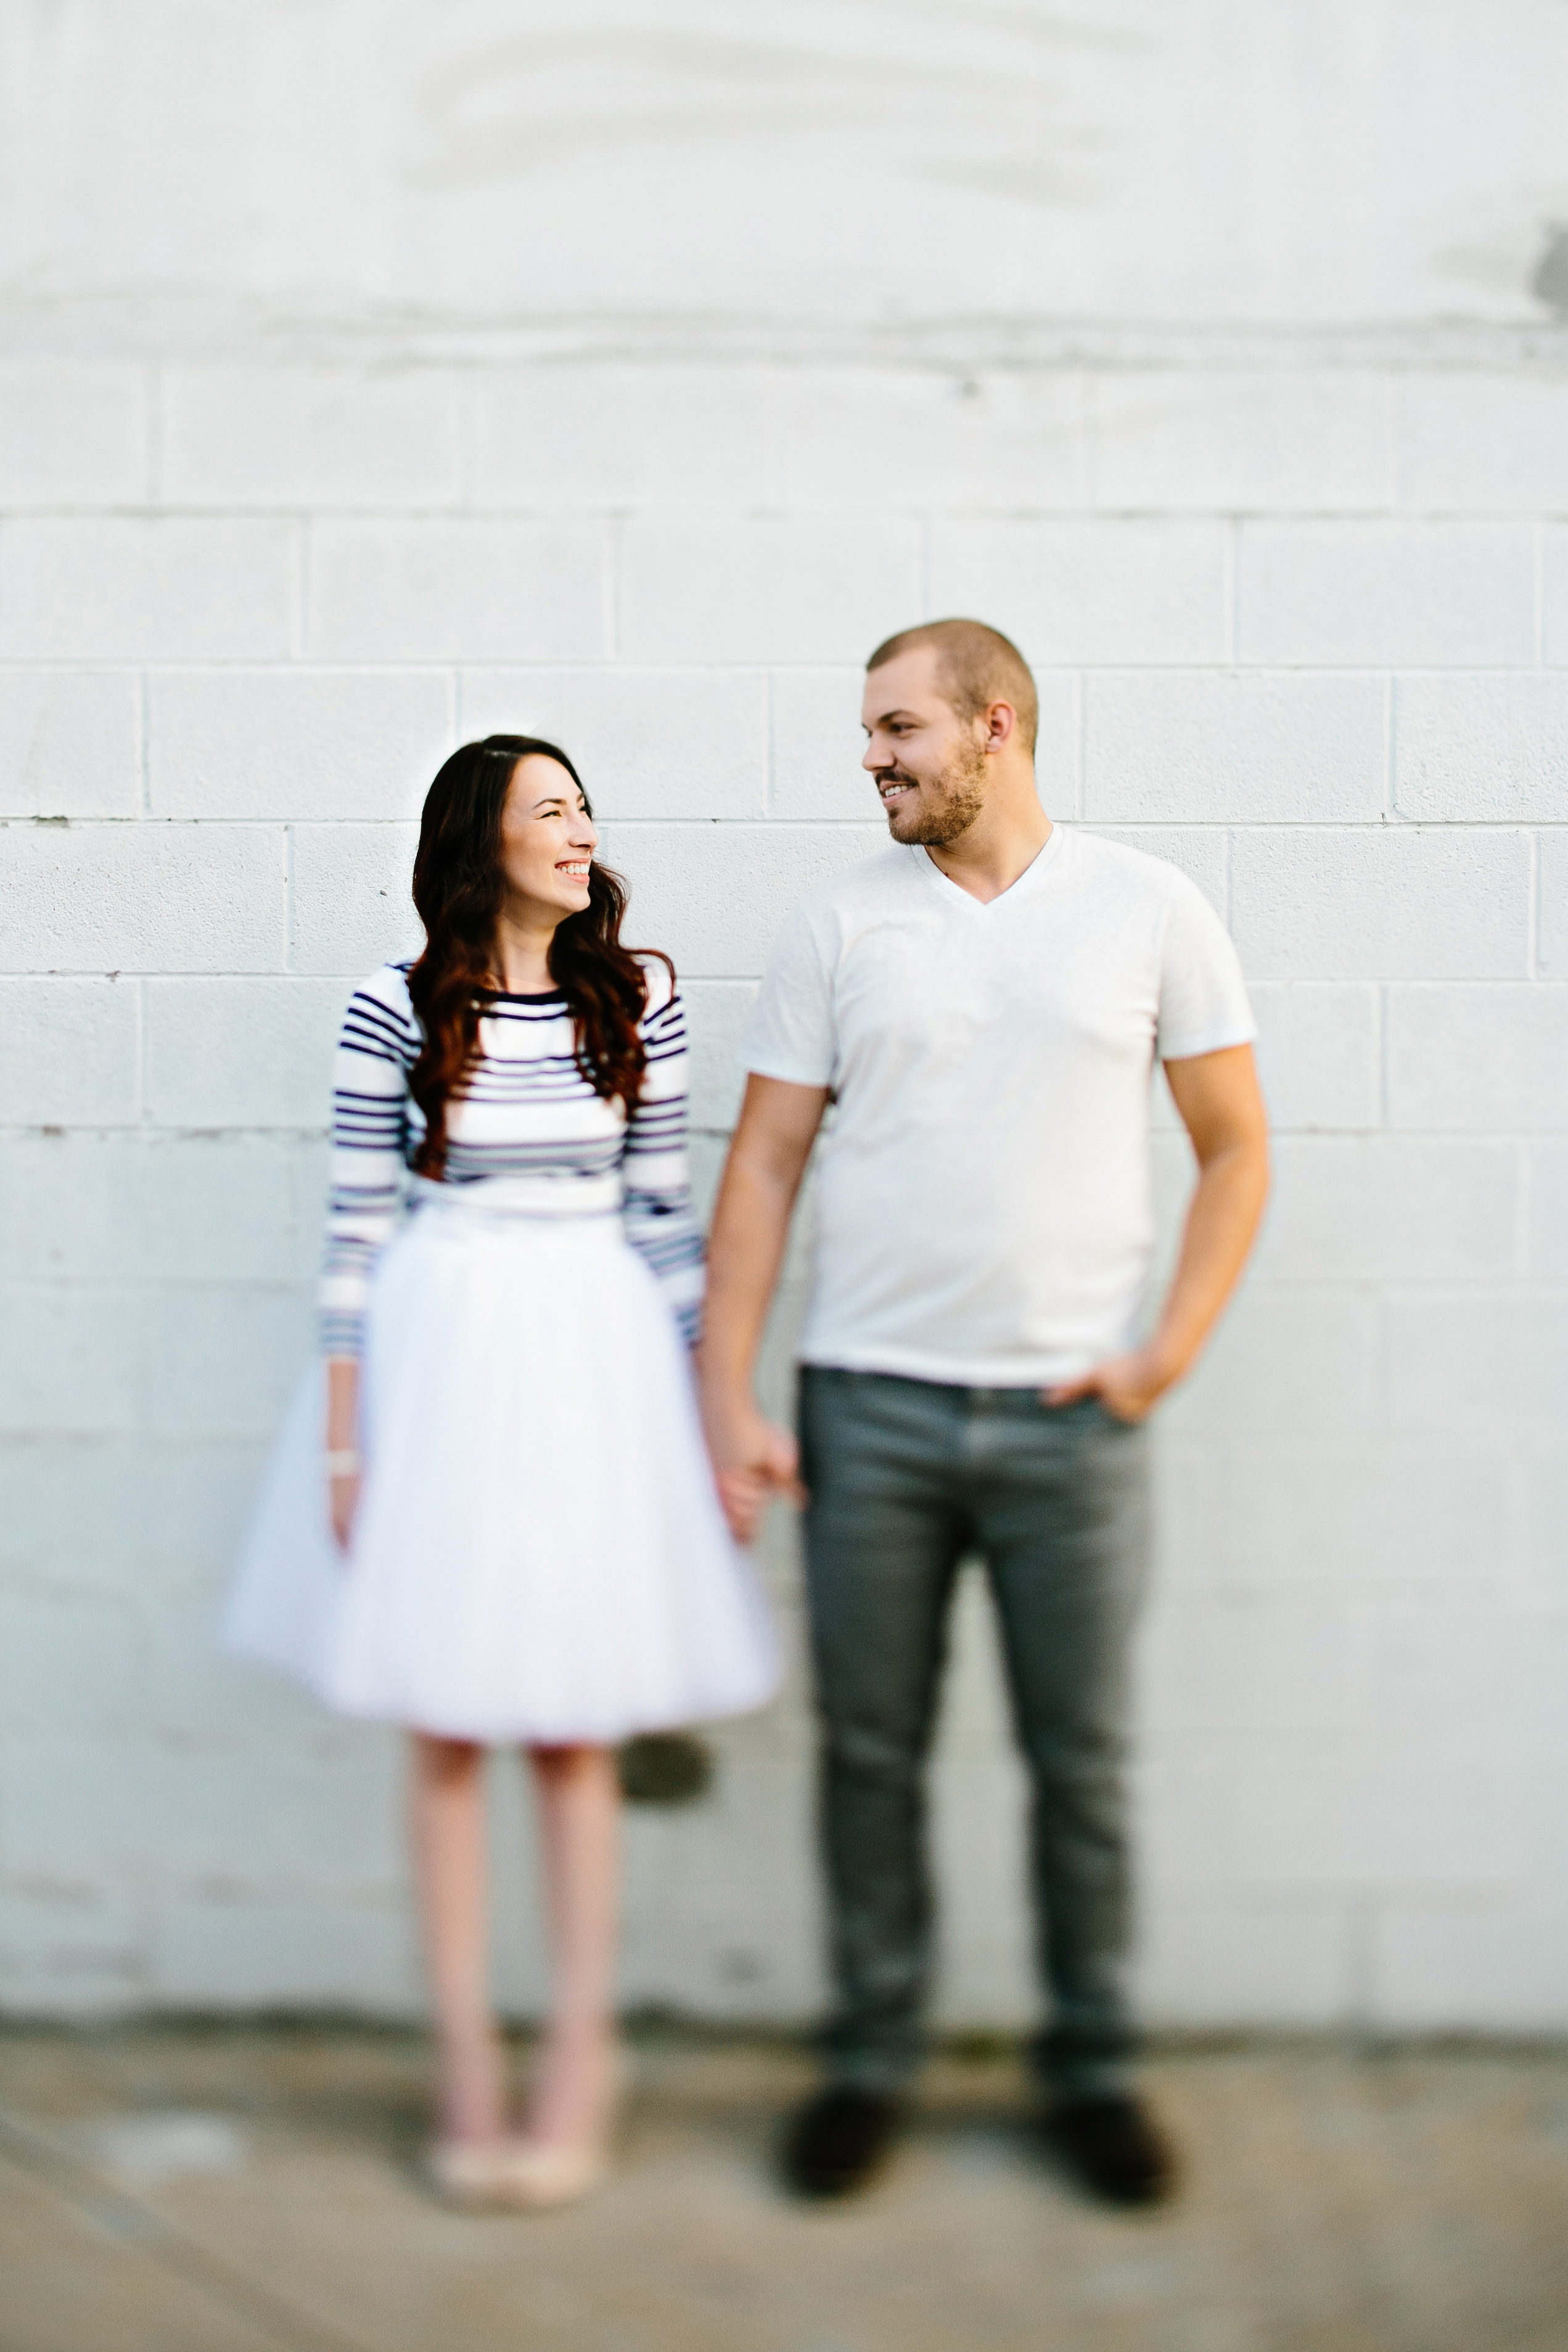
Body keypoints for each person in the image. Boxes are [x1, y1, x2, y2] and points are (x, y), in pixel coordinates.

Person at [697, 622, 1269, 2205]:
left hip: (1071, 1425)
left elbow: (1236, 1146)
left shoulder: (1149, 907)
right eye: (869, 733)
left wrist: (1164, 1354)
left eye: (898, 730)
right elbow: (760, 1164)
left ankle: (1090, 2062)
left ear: (993, 724)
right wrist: (725, 1388)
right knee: (868, 1754)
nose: (871, 757)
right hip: (868, 1411)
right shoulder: (839, 923)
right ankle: (872, 2058)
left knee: (1079, 1760)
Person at [227, 736, 779, 2210]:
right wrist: (347, 1440)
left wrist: (714, 1417)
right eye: (550, 810)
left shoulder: (641, 997)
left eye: (587, 808)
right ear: (481, 842)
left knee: (574, 1731)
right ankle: (466, 2060)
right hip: (442, 1359)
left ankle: (579, 2064)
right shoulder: (390, 1006)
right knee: (450, 1730)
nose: (580, 831)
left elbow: (664, 1224)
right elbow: (352, 1232)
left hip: (594, 1367)